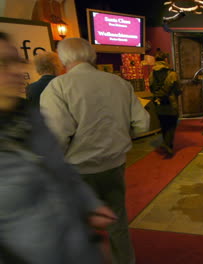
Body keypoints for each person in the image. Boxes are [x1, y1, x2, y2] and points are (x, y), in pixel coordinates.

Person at [0, 32, 116, 263]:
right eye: (2, 64)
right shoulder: (116, 82)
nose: (15, 71)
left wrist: (89, 205)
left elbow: (61, 169)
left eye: (16, 61)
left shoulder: (30, 115)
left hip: (78, 247)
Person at [40, 38, 150, 264]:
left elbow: (58, 134)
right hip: (114, 165)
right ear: (93, 56)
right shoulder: (119, 83)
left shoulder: (58, 87)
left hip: (77, 170)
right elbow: (143, 124)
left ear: (62, 59)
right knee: (117, 221)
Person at [150, 54, 180, 157]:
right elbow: (177, 90)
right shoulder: (172, 74)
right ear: (165, 60)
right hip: (171, 103)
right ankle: (168, 145)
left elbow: (151, 88)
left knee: (163, 124)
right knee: (172, 125)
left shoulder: (152, 74)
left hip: (158, 103)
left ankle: (165, 143)